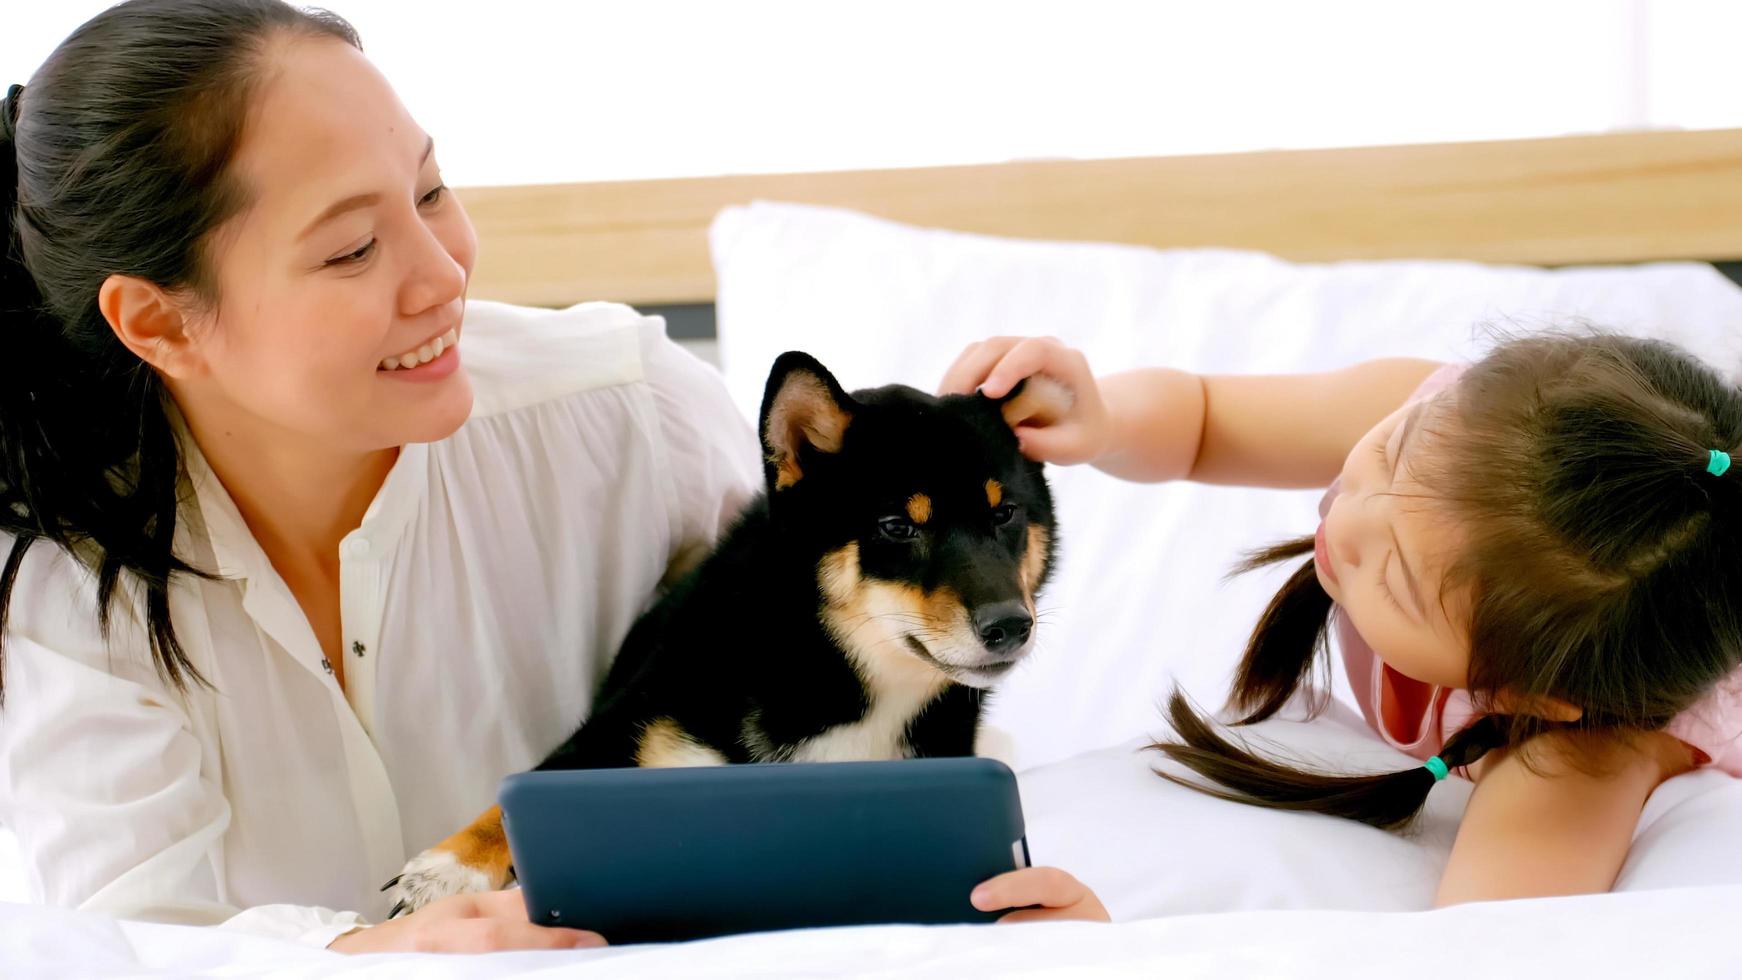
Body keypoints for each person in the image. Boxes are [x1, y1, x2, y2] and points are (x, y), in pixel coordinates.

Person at [0, 0, 761, 952]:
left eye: (432, 190)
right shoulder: (64, 559)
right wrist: (377, 955)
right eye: (353, 248)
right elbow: (132, 937)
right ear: (158, 323)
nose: (445, 273)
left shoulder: (637, 418)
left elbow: (869, 716)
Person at [940, 329, 1742, 915]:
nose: (1346, 521)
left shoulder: (1575, 758)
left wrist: (1115, 952)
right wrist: (1103, 417)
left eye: (1394, 577)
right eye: (1387, 456)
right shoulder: (1451, 430)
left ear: (1527, 690)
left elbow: (1483, 953)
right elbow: (1207, 418)